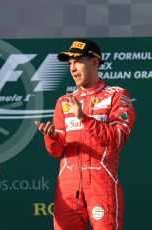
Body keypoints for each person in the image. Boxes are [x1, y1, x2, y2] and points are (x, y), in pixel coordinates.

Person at [35, 39, 135, 229]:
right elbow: (57, 152)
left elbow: (117, 138)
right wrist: (52, 137)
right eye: (70, 63)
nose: (72, 68)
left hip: (101, 182)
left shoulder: (117, 95)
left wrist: (83, 118)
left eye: (78, 61)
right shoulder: (64, 101)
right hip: (68, 185)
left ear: (95, 62)